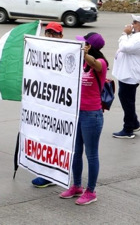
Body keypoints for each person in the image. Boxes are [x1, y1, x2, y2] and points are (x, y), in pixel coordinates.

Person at [58, 32, 108, 206]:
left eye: (84, 43)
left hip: (92, 115)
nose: (80, 45)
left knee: (91, 154)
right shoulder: (80, 62)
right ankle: (77, 186)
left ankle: (91, 190)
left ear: (90, 46)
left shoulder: (101, 62)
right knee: (76, 152)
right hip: (76, 113)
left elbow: (95, 64)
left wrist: (85, 55)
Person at [31, 22, 65, 188]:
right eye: (48, 33)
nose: (51, 36)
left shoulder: (67, 51)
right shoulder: (39, 49)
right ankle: (45, 171)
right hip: (42, 103)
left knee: (56, 140)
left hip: (59, 104)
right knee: (42, 138)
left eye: (55, 33)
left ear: (61, 36)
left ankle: (51, 174)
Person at [112, 14, 140, 139]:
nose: (132, 24)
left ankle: (128, 129)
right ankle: (134, 123)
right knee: (126, 98)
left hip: (130, 74)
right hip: (127, 73)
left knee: (127, 101)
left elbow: (124, 47)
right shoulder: (137, 36)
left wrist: (124, 34)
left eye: (135, 22)